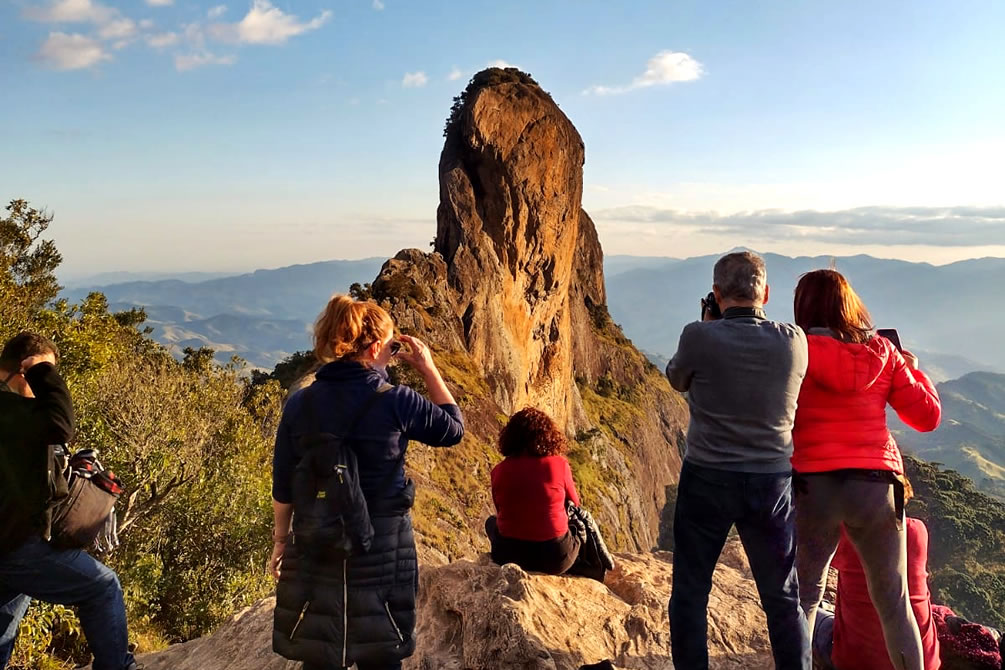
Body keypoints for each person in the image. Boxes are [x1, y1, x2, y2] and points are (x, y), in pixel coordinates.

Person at [270, 295, 464, 670]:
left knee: (322, 650)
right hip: (384, 546)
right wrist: (428, 369)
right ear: (377, 347)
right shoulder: (397, 401)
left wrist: (281, 541)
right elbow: (453, 429)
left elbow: (283, 483)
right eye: (391, 346)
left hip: (318, 542)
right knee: (382, 651)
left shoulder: (301, 403)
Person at [665, 251, 811, 670]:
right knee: (782, 597)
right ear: (765, 293)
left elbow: (677, 378)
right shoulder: (793, 340)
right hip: (771, 483)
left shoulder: (698, 335)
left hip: (707, 477)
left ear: (715, 294)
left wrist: (708, 328)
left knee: (691, 591)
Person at [791, 269, 941, 670]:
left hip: (813, 483)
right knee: (893, 602)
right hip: (875, 484)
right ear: (849, 307)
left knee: (806, 597)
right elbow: (927, 417)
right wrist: (911, 368)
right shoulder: (884, 354)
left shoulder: (794, 351)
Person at [0, 332, 139, 670]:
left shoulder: (12, 409)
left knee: (2, 624)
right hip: (14, 545)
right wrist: (43, 370)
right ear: (24, 369)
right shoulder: (5, 406)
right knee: (103, 587)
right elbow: (60, 423)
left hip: (10, 540)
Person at [812, 480, 940, 669]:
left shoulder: (846, 535)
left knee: (805, 614)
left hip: (859, 661)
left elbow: (816, 559)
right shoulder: (917, 530)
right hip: (922, 660)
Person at [485, 407, 583, 575]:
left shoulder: (498, 470)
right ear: (548, 436)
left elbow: (500, 510)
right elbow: (575, 502)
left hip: (508, 555)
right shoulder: (559, 465)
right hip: (555, 558)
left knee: (490, 522)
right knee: (578, 526)